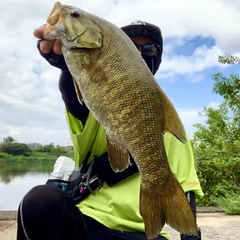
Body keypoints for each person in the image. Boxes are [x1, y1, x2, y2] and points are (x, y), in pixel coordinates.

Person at [17, 20, 203, 240]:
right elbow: (74, 100)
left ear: (157, 57)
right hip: (86, 224)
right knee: (39, 201)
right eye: (132, 46)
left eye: (150, 48)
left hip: (142, 234)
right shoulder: (95, 106)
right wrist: (69, 70)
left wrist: (190, 235)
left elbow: (185, 190)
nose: (141, 53)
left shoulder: (170, 125)